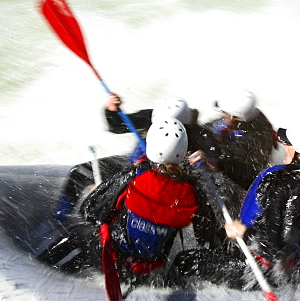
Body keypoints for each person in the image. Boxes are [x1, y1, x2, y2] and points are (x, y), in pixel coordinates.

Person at [41, 118, 229, 281]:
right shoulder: (192, 191)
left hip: (114, 260)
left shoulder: (135, 174)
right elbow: (205, 235)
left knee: (77, 234)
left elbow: (91, 211)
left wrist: (100, 192)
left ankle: (39, 268)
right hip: (147, 269)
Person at [54, 93, 219, 221]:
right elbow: (117, 125)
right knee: (79, 172)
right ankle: (61, 218)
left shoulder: (199, 135)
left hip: (158, 180)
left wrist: (208, 159)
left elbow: (216, 158)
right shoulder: (153, 116)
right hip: (130, 165)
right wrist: (112, 110)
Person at [224, 122, 300, 283]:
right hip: (288, 262)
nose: (285, 147)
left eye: (289, 144)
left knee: (185, 261)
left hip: (255, 268)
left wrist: (243, 232)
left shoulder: (284, 184)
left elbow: (275, 249)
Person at [202, 88, 277, 191]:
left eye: (226, 113)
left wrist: (217, 163)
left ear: (236, 117)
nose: (225, 115)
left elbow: (245, 172)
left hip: (242, 178)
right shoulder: (253, 114)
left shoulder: (250, 140)